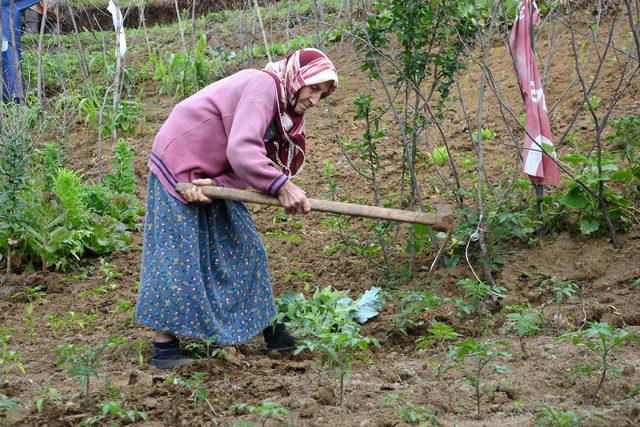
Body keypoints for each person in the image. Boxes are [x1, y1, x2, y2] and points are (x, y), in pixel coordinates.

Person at [135, 48, 338, 370]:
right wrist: (282, 187)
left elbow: (244, 151)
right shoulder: (263, 86)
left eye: (322, 96)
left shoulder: (284, 110)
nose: (315, 100)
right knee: (178, 256)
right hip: (178, 164)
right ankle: (165, 350)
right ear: (297, 79)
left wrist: (217, 181)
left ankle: (271, 331)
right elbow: (243, 148)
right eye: (313, 89)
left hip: (217, 171)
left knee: (245, 247)